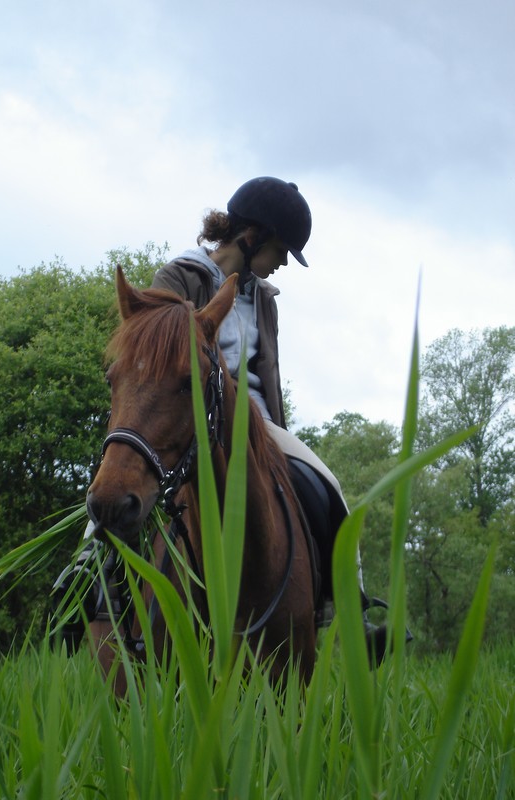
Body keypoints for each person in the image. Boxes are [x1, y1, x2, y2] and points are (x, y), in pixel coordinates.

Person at [54, 177, 392, 663]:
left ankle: (350, 609)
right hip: (184, 409)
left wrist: (274, 428)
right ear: (251, 236)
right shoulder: (179, 277)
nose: (281, 263)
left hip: (253, 420)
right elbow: (151, 348)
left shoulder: (265, 299)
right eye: (279, 249)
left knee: (328, 482)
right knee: (118, 475)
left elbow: (266, 374)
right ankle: (87, 572)